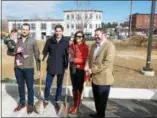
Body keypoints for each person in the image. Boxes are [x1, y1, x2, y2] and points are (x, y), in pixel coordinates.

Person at [85, 28, 116, 118]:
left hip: (104, 79)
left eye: (98, 35)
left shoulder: (110, 46)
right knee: (97, 99)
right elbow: (89, 58)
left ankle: (101, 115)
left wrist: (92, 70)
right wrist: (87, 66)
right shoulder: (94, 45)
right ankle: (98, 114)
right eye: (95, 35)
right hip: (94, 78)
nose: (96, 37)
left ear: (104, 34)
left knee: (102, 102)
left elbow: (107, 62)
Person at [13, 23, 40, 114]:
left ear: (29, 30)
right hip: (18, 68)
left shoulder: (33, 41)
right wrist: (15, 51)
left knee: (30, 88)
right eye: (23, 29)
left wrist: (38, 67)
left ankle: (30, 105)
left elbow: (37, 54)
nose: (24, 31)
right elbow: (10, 52)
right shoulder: (16, 40)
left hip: (29, 68)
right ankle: (22, 103)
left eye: (26, 29)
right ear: (21, 30)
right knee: (20, 86)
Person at [42, 24, 69, 107]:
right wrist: (42, 57)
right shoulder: (49, 41)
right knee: (47, 85)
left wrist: (67, 67)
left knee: (59, 85)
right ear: (55, 31)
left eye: (59, 31)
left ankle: (57, 100)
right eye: (57, 31)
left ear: (62, 31)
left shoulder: (66, 42)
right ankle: (46, 99)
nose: (58, 33)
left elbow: (67, 55)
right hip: (51, 65)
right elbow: (45, 51)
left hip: (61, 66)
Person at [68, 30, 89, 114]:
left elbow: (84, 59)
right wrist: (69, 55)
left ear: (83, 38)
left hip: (80, 69)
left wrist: (74, 59)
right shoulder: (72, 45)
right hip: (72, 68)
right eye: (76, 36)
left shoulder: (85, 47)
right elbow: (69, 54)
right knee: (74, 87)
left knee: (78, 88)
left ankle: (77, 105)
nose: (78, 38)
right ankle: (74, 103)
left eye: (80, 36)